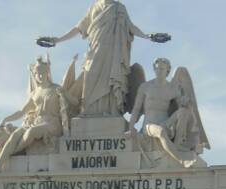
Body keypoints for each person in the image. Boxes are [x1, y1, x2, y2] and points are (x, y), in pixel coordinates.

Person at [38, 0, 169, 115]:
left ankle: (111, 112)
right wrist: (57, 40)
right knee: (89, 77)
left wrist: (148, 36)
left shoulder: (119, 8)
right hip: (95, 52)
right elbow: (79, 28)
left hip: (113, 53)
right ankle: (87, 113)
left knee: (112, 80)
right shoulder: (94, 8)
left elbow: (131, 27)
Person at [0, 57, 73, 171]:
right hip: (37, 122)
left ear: (47, 73)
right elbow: (22, 111)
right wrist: (6, 119)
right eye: (37, 74)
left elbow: (75, 102)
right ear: (34, 75)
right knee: (15, 135)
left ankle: (13, 152)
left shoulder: (56, 88)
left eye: (42, 73)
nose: (40, 76)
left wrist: (64, 94)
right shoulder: (35, 93)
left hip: (52, 124)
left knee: (31, 132)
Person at [128, 58, 201, 168]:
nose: (159, 71)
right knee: (161, 132)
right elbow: (136, 109)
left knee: (183, 112)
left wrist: (185, 102)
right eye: (157, 68)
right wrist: (130, 128)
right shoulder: (145, 87)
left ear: (167, 70)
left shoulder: (171, 88)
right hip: (149, 126)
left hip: (166, 123)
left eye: (162, 69)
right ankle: (180, 159)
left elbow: (181, 105)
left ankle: (176, 145)